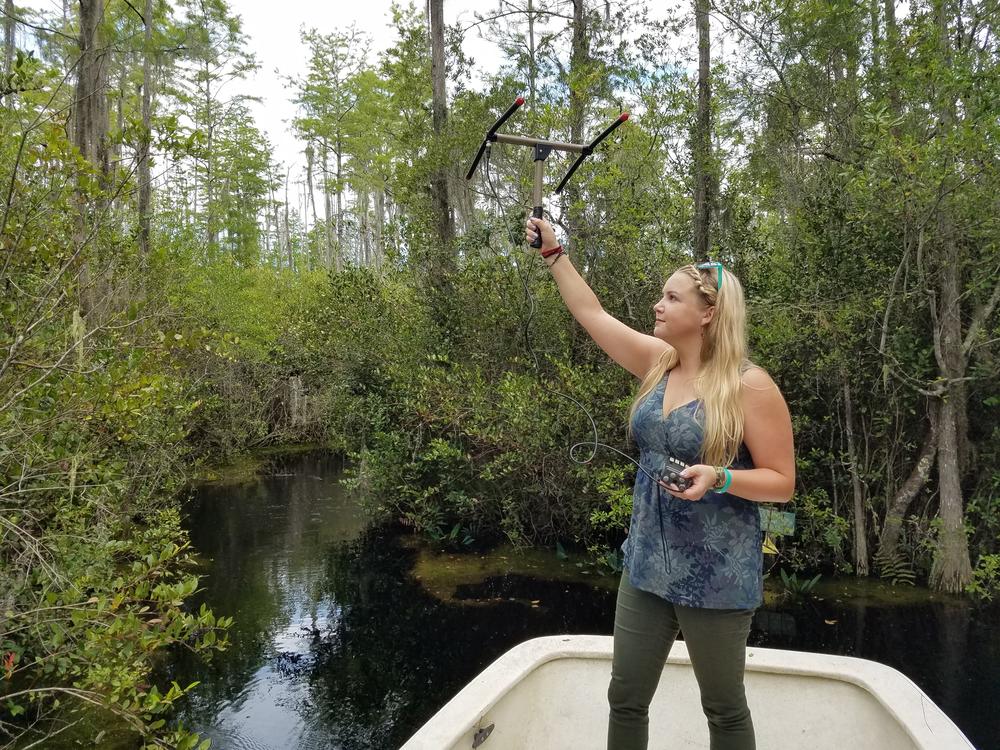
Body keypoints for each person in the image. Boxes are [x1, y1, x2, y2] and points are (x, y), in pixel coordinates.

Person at [524, 217, 796, 750]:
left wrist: (720, 477)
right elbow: (591, 312)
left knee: (723, 709)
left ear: (708, 313)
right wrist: (554, 254)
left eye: (671, 298)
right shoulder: (657, 364)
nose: (658, 305)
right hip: (646, 562)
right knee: (625, 698)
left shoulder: (749, 386)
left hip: (717, 575)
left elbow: (782, 482)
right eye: (661, 296)